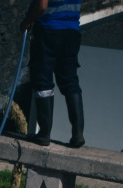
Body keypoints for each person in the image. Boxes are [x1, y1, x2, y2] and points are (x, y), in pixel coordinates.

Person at [24, 0, 86, 149]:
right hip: (72, 32)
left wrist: (26, 22)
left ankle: (44, 134)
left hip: (48, 31)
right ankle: (78, 135)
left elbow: (42, 5)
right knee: (70, 81)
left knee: (43, 81)